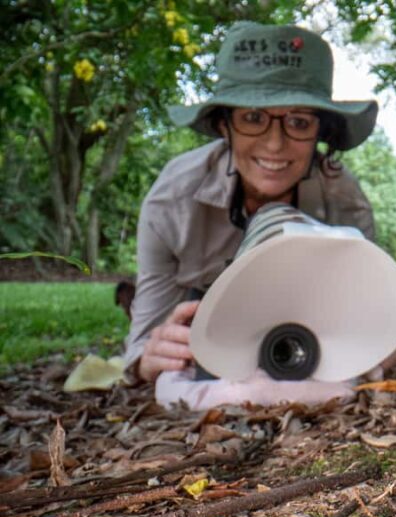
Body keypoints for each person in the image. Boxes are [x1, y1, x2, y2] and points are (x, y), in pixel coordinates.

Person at [123, 21, 379, 394]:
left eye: (299, 122)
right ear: (224, 126)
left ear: (321, 133)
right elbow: (143, 346)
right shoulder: (172, 204)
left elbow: (371, 329)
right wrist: (153, 355)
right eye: (254, 118)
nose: (275, 144)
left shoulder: (345, 207)